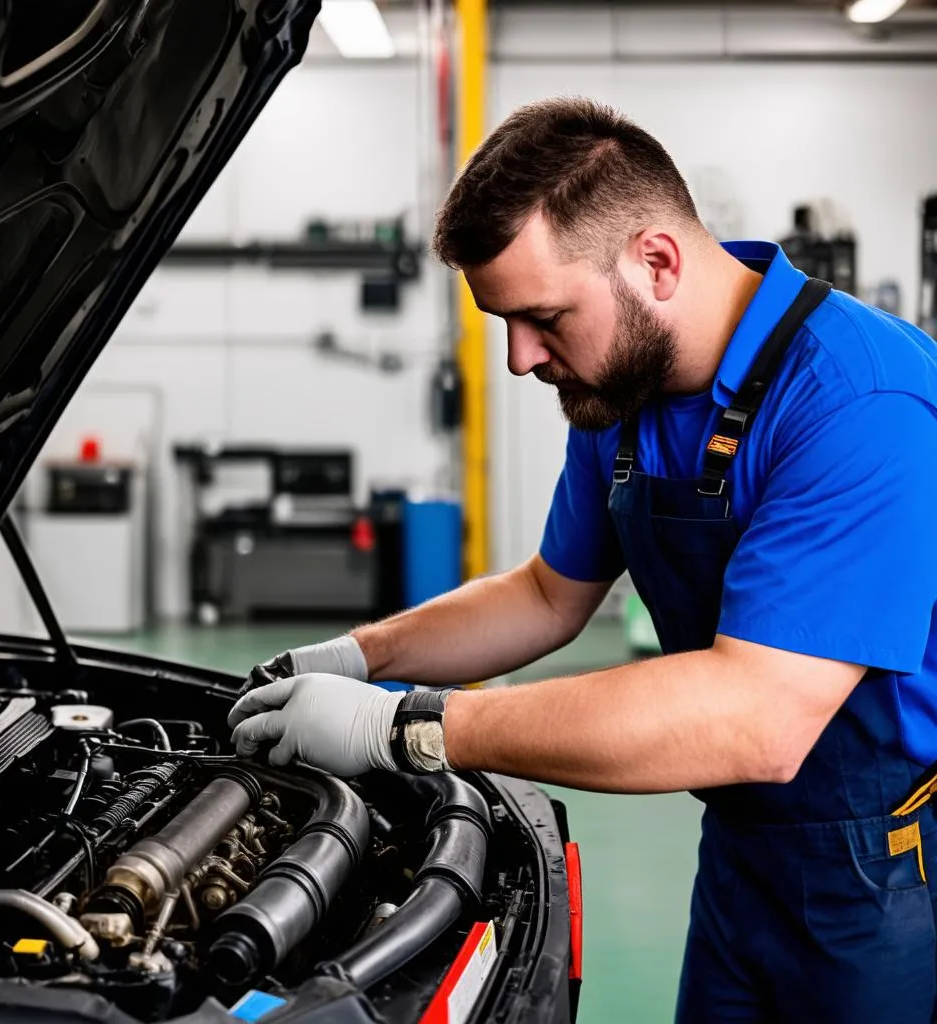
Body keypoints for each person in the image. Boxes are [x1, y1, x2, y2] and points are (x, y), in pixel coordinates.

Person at [226, 98, 937, 1022]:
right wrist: (362, 658)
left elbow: (757, 717)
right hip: (741, 854)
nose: (522, 358)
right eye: (505, 324)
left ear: (656, 261)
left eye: (545, 317)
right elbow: (547, 594)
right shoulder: (623, 395)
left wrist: (407, 728)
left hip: (884, 874)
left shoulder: (858, 401)